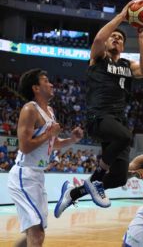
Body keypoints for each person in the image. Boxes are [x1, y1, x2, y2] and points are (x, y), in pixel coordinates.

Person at [54, 0, 143, 218]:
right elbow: (99, 38)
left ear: (123, 47)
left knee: (119, 178)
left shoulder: (127, 65)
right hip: (98, 116)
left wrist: (142, 38)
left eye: (120, 38)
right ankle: (96, 179)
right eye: (114, 36)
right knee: (126, 137)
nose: (116, 38)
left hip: (116, 121)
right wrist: (121, 16)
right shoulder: (98, 59)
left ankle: (74, 192)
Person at [7, 68, 83, 247]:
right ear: (36, 88)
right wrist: (49, 134)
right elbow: (24, 147)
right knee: (37, 234)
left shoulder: (49, 111)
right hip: (23, 176)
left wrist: (72, 139)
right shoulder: (29, 109)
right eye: (46, 81)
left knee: (34, 234)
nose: (51, 84)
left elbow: (53, 144)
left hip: (37, 176)